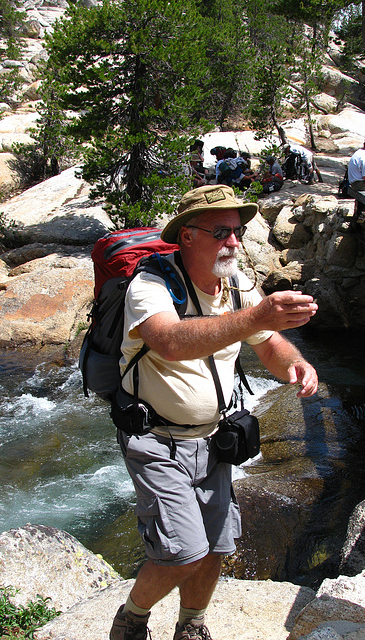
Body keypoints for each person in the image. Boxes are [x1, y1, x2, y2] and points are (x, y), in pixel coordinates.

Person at [109, 184, 318, 640]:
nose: (234, 242)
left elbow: (269, 343)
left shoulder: (237, 286)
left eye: (238, 231)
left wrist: (296, 364)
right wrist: (257, 317)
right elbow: (171, 340)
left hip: (214, 438)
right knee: (183, 551)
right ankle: (131, 619)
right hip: (156, 439)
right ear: (186, 235)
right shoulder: (150, 286)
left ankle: (191, 626)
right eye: (221, 231)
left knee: (216, 547)